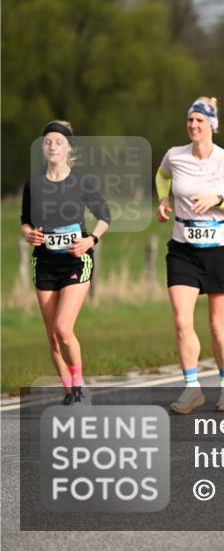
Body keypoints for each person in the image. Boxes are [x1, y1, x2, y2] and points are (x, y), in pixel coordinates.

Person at [156, 97, 224, 414]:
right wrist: (163, 200)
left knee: (217, 325)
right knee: (182, 321)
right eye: (190, 121)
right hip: (182, 249)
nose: (194, 126)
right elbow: (161, 175)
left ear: (212, 125)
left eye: (200, 121)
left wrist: (217, 199)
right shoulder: (174, 155)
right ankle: (192, 388)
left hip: (220, 250)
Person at [21, 121, 111, 405]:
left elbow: (104, 216)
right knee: (52, 335)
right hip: (45, 262)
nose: (52, 146)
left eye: (58, 142)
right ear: (42, 147)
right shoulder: (34, 184)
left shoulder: (82, 181)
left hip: (76, 260)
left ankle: (80, 382)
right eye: (48, 141)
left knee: (63, 328)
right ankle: (69, 390)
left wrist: (91, 240)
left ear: (68, 148)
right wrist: (29, 234)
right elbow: (25, 222)